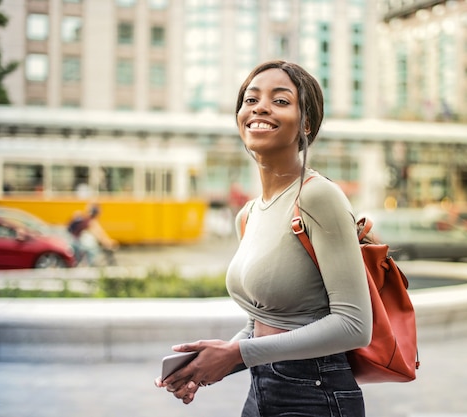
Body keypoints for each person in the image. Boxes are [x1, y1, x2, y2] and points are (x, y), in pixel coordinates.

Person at [155, 60, 372, 416]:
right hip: (261, 391)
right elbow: (261, 323)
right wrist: (215, 361)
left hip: (316, 394)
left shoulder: (318, 196)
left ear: (306, 123)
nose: (260, 108)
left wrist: (238, 353)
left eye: (281, 100)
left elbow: (354, 326)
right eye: (250, 99)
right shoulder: (249, 215)